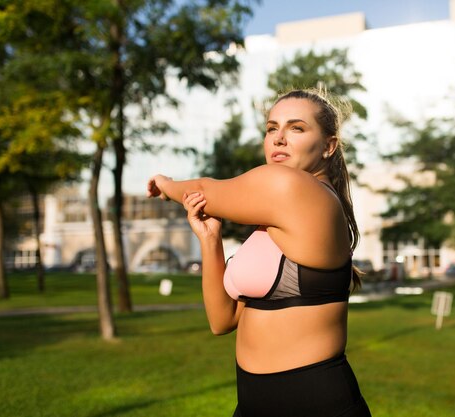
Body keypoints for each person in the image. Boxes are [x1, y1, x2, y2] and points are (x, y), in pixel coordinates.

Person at [147, 88, 372, 417]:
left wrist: (166, 185)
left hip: (316, 402)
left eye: (296, 128)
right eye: (271, 128)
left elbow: (203, 191)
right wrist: (211, 240)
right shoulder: (269, 225)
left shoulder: (295, 189)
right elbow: (222, 321)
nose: (279, 138)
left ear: (328, 146)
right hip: (252, 402)